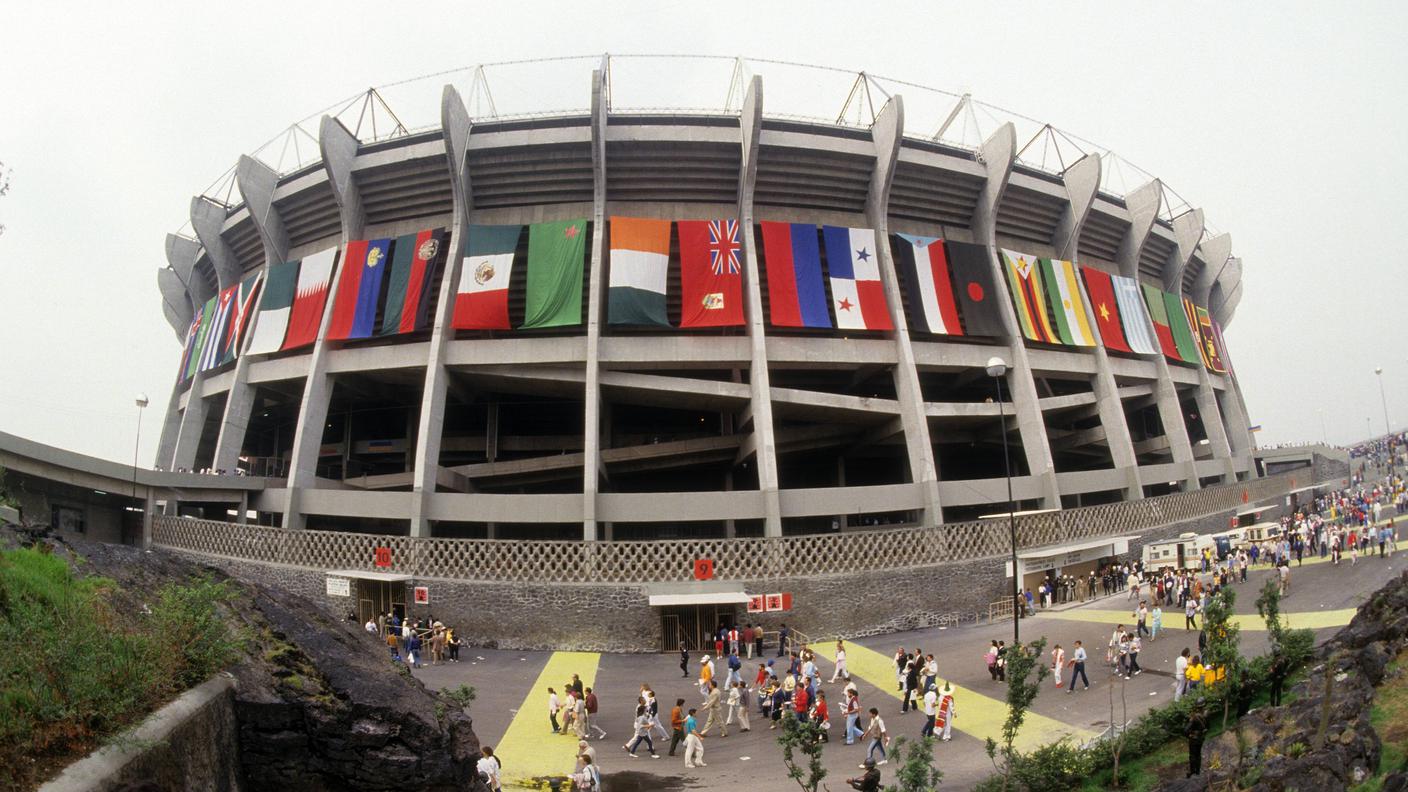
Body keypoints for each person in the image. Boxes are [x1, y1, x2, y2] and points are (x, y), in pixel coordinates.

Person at [1186, 706, 1207, 777]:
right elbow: (1207, 727)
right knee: (1198, 755)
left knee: (1192, 755)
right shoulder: (1205, 715)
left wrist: (1189, 735)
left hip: (1193, 740)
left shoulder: (1194, 718)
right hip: (1201, 739)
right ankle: (1198, 771)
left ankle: (1192, 772)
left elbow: (1185, 730)